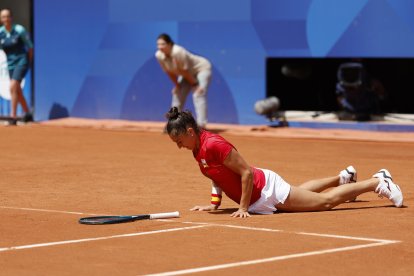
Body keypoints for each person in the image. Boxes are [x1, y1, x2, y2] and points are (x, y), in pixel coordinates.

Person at [165, 107, 403, 218]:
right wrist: (214, 204)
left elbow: (245, 173)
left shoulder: (213, 144)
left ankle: (377, 181)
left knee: (326, 203)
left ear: (190, 131)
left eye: (178, 140)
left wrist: (243, 208)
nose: (178, 146)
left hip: (266, 190)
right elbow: (217, 176)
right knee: (302, 192)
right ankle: (344, 178)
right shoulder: (197, 150)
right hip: (261, 197)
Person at [156, 33, 211, 129]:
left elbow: (184, 71)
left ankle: (201, 126)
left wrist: (195, 84)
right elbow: (169, 72)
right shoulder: (159, 55)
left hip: (201, 69)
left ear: (169, 44)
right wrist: (177, 86)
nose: (160, 47)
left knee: (198, 93)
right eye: (158, 44)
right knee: (177, 94)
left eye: (163, 44)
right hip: (186, 74)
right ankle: (173, 124)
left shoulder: (178, 52)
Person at [0, 8, 33, 125]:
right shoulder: (1, 33)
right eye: (3, 17)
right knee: (17, 91)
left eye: (8, 16)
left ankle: (13, 117)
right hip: (10, 64)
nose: (6, 19)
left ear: (11, 18)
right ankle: (28, 114)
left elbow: (30, 47)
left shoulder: (19, 30)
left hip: (22, 60)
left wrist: (28, 62)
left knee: (13, 86)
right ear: (1, 19)